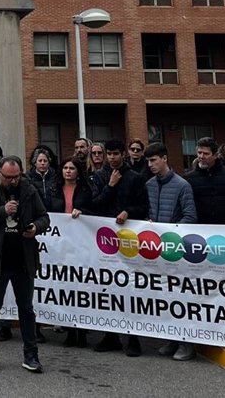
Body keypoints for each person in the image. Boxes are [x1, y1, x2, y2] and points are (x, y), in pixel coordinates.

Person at [0, 155, 49, 374]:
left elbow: (44, 217)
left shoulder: (29, 190)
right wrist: (3, 211)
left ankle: (31, 355)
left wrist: (36, 227)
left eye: (17, 176)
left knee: (26, 309)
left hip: (23, 259)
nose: (13, 181)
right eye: (8, 177)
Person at [90, 139, 148, 356]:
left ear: (123, 154)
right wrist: (110, 186)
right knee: (108, 289)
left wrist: (128, 212)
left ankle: (133, 338)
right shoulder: (100, 177)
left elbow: (143, 207)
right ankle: (111, 335)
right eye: (109, 154)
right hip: (105, 241)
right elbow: (95, 204)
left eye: (116, 153)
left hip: (128, 240)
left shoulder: (135, 177)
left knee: (130, 289)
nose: (112, 157)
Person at [142, 143, 197, 361]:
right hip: (156, 251)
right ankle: (171, 339)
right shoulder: (149, 185)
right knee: (163, 297)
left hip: (175, 250)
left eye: (154, 160)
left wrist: (169, 235)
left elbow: (190, 216)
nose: (150, 165)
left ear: (165, 159)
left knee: (180, 297)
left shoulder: (182, 185)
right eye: (148, 161)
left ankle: (186, 343)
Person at [53, 157, 92, 348]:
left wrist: (83, 211)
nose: (68, 171)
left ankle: (82, 332)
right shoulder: (55, 189)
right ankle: (69, 331)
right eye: (65, 168)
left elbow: (94, 209)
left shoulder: (86, 190)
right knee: (65, 288)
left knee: (81, 287)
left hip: (81, 243)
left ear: (78, 172)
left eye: (72, 168)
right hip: (61, 244)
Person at [187, 136, 225, 225]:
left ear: (215, 155)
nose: (201, 156)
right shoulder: (188, 178)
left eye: (206, 154)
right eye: (199, 153)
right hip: (199, 227)